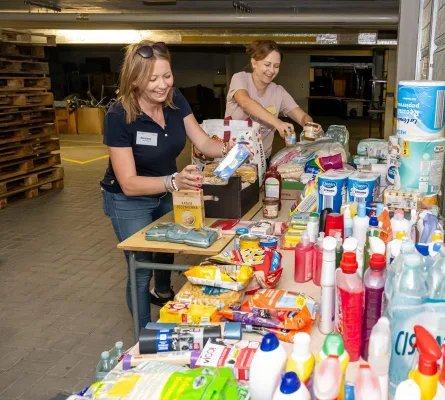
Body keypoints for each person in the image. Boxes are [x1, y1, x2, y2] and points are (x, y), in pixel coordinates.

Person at [100, 40, 228, 330]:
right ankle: (145, 336)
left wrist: (231, 149)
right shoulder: (118, 116)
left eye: (167, 76)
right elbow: (129, 183)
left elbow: (203, 141)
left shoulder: (176, 99)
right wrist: (173, 181)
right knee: (140, 269)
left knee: (169, 243)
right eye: (152, 78)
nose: (162, 85)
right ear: (134, 79)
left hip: (167, 189)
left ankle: (165, 291)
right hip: (127, 198)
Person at [225, 40, 321, 159]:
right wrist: (277, 122)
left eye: (276, 66)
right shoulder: (240, 78)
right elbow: (245, 102)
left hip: (262, 159)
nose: (271, 70)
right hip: (233, 157)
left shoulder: (278, 92)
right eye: (267, 64)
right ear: (254, 62)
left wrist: (310, 125)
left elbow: (301, 116)